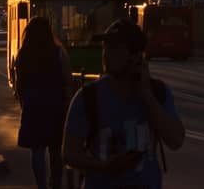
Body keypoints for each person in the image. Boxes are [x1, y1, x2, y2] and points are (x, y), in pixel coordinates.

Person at [64, 19, 185, 189]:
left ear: (136, 56)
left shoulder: (158, 92)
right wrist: (104, 167)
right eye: (105, 47)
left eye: (115, 48)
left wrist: (147, 96)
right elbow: (69, 153)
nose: (106, 54)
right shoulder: (88, 97)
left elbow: (176, 140)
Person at [13, 16, 70, 189]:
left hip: (33, 105)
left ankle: (41, 185)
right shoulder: (58, 52)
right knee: (55, 148)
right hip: (55, 105)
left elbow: (19, 83)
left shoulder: (24, 54)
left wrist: (24, 102)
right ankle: (56, 182)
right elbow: (67, 80)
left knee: (37, 149)